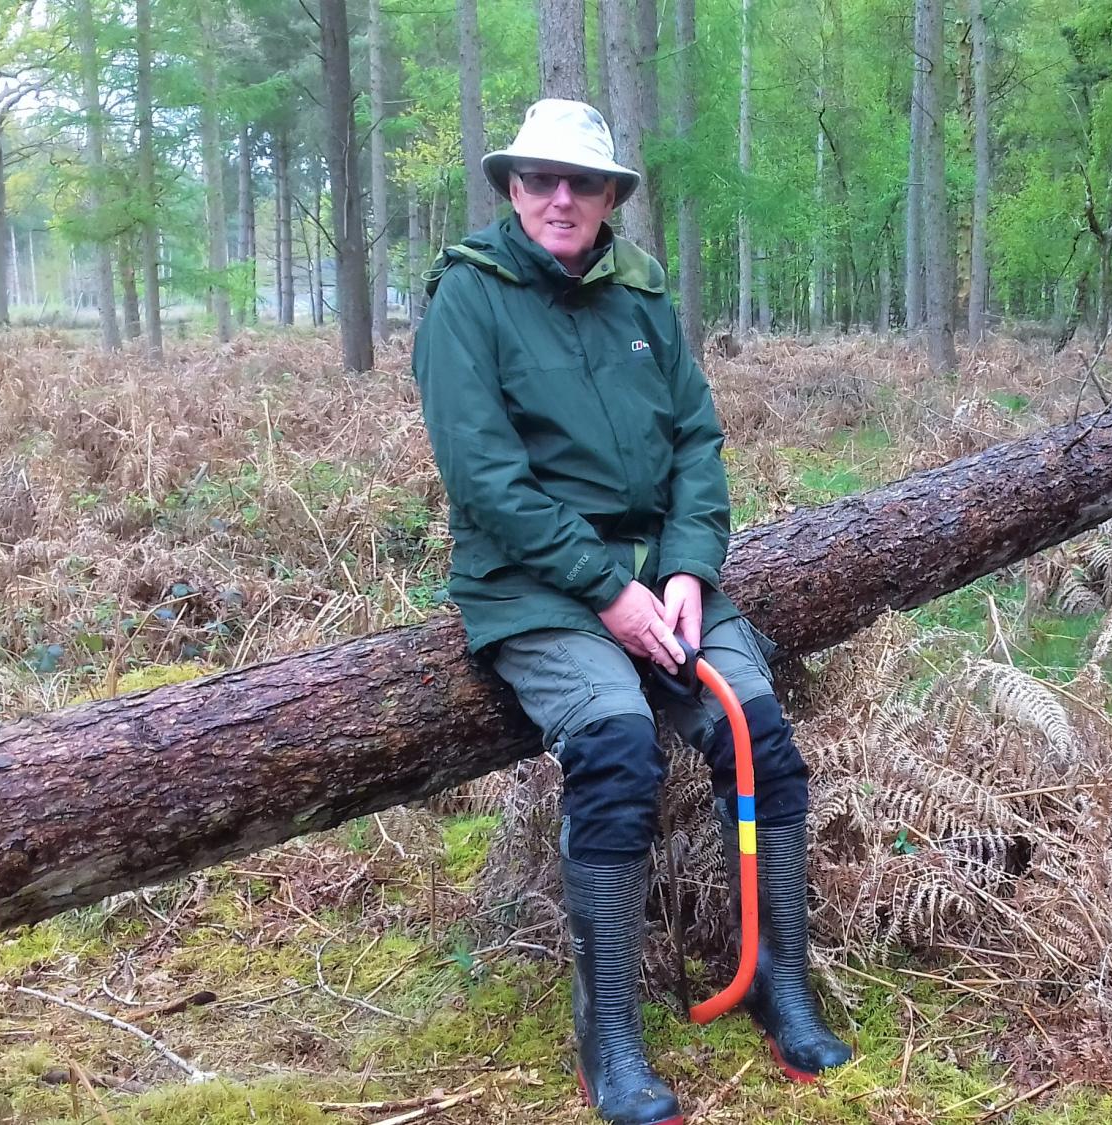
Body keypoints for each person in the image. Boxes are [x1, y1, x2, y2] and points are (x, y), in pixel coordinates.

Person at [411, 99, 852, 1125]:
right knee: (615, 749)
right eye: (537, 181)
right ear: (511, 190)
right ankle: (609, 1041)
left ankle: (779, 984)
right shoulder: (467, 299)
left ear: (610, 196)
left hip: (664, 571)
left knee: (762, 743)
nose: (559, 199)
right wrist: (605, 590)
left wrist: (691, 567)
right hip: (532, 583)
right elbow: (484, 480)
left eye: (581, 182)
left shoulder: (641, 294)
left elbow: (698, 444)